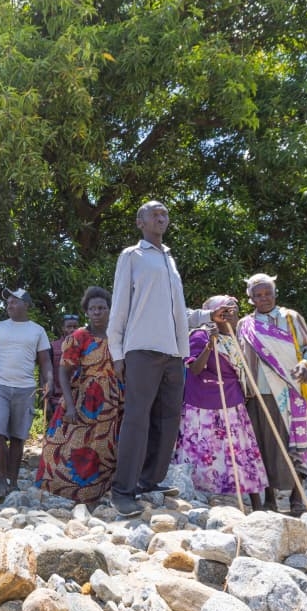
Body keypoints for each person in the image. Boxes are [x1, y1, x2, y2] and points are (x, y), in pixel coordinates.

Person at [106, 201, 220, 517]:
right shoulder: (132, 256)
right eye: (154, 213)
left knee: (168, 420)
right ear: (140, 221)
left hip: (174, 353)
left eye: (165, 213)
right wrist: (117, 352)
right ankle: (123, 491)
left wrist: (209, 315)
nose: (161, 217)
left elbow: (175, 314)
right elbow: (120, 307)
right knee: (137, 420)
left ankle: (149, 480)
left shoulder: (170, 259)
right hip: (141, 350)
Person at [173, 296, 268, 508]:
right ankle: (201, 500)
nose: (231, 315)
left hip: (232, 401)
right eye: (225, 311)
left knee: (240, 450)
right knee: (204, 450)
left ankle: (256, 503)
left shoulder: (238, 337)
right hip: (202, 406)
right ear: (213, 314)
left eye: (234, 310)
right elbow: (195, 369)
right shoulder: (200, 335)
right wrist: (209, 345)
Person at [237, 273, 307, 514]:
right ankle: (269, 499)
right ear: (250, 298)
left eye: (268, 293)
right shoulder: (245, 325)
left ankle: (296, 498)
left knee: (294, 442)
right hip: (257, 393)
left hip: (290, 390)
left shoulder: (291, 318)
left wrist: (305, 363)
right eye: (258, 295)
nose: (264, 299)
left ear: (275, 293)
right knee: (261, 445)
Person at [35, 287, 123, 503]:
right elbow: (64, 372)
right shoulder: (79, 336)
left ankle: (98, 492)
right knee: (72, 443)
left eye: (102, 308)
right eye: (92, 308)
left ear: (110, 310)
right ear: (87, 312)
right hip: (83, 397)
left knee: (105, 445)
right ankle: (67, 490)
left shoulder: (118, 337)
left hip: (112, 399)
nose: (97, 312)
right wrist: (70, 405)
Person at [0, 287, 53, 499]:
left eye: (14, 301)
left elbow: (45, 362)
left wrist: (48, 381)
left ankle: (13, 482)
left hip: (26, 388)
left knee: (18, 437)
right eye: (8, 302)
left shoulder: (37, 330)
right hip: (0, 384)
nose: (9, 305)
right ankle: (2, 482)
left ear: (26, 305)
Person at [45, 313, 80, 424]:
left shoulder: (85, 347)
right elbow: (46, 373)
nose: (72, 329)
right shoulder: (52, 346)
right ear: (63, 328)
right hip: (57, 399)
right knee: (56, 436)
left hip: (79, 399)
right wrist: (47, 402)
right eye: (69, 327)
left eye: (75, 327)